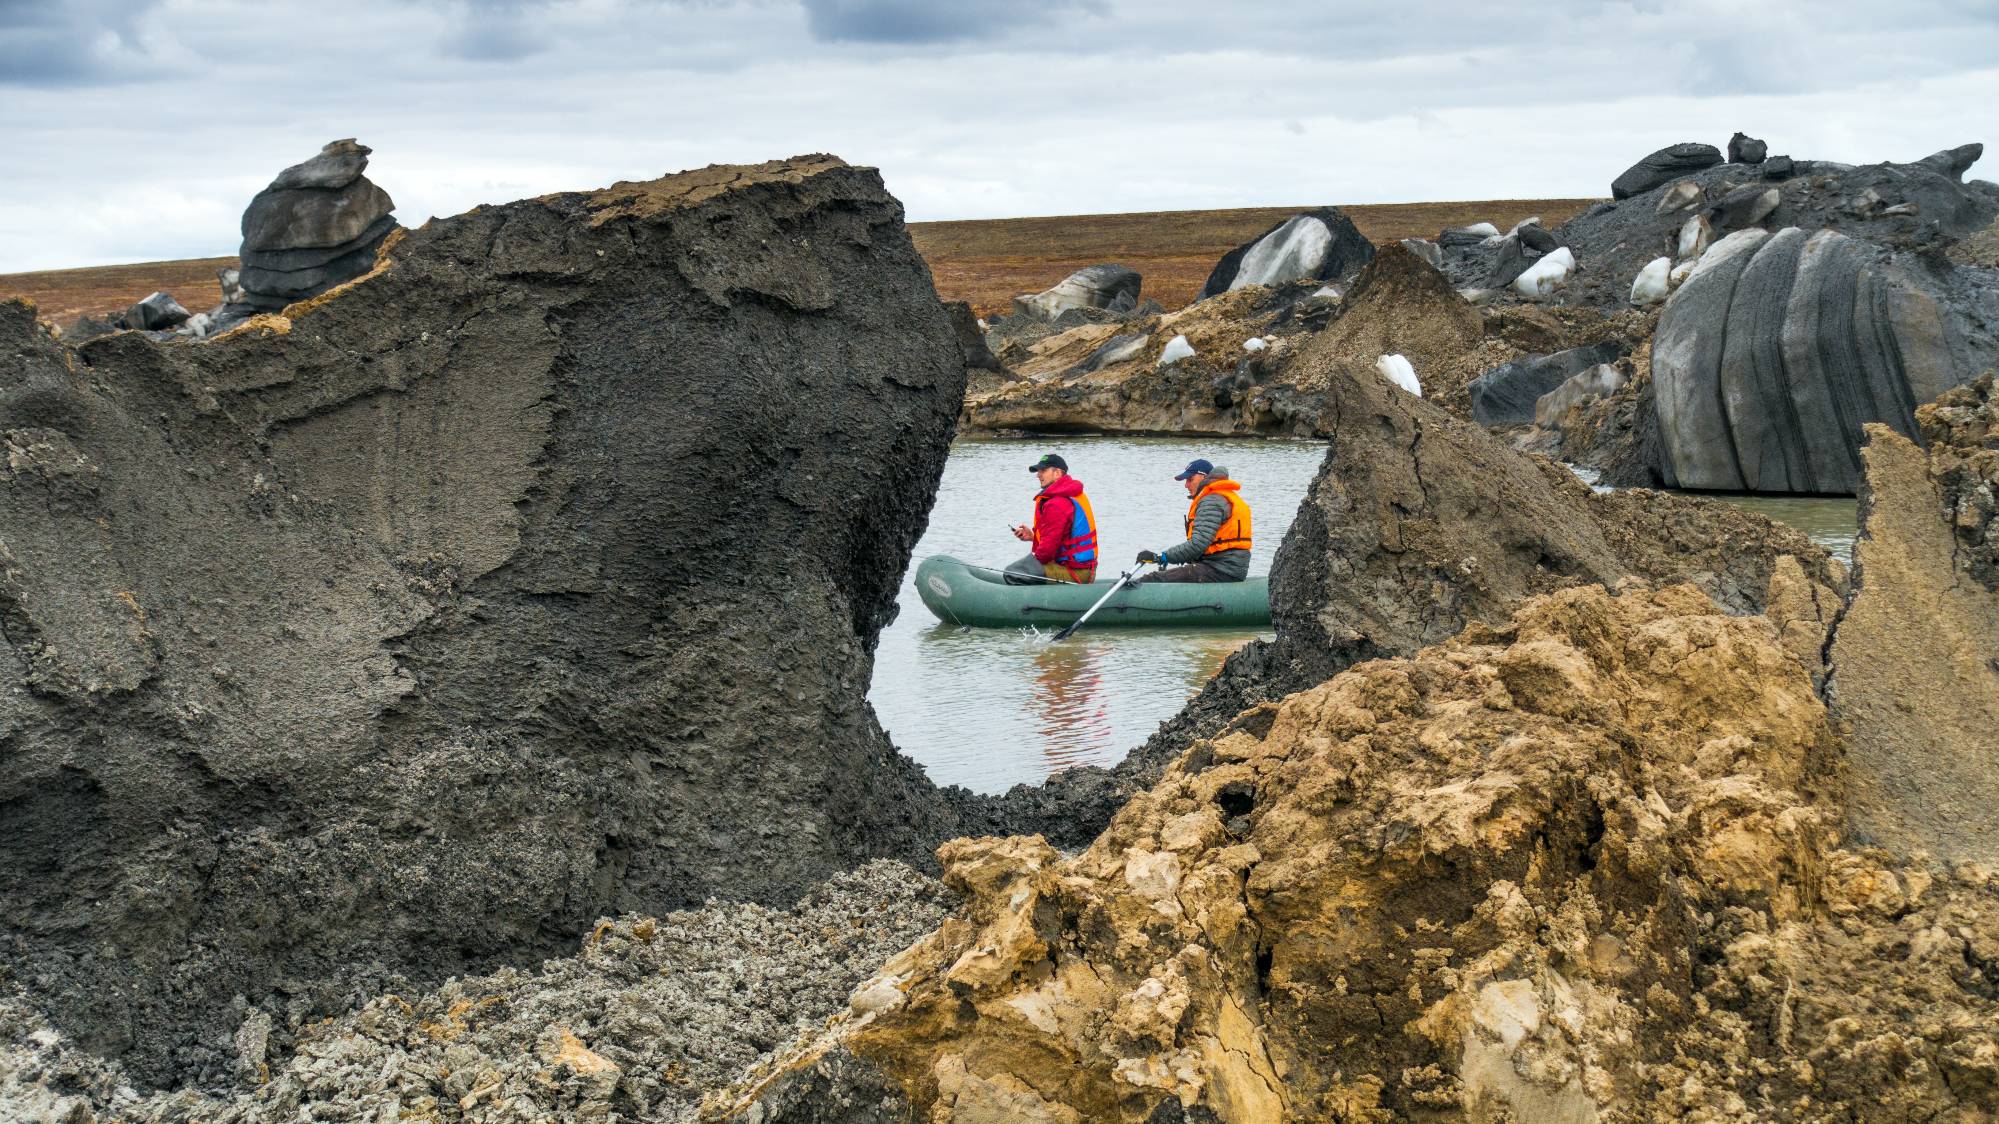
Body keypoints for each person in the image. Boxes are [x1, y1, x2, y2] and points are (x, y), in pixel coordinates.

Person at [1135, 458, 1251, 583]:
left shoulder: (1212, 501)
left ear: (1204, 477)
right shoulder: (1221, 496)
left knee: (1153, 580)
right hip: (1225, 568)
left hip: (1220, 570)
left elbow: (1198, 545)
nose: (1186, 485)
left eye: (1190, 479)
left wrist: (1161, 557)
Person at [1005, 453, 1099, 584]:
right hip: (1085, 569)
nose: (1038, 475)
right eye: (1038, 471)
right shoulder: (1071, 494)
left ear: (1057, 473)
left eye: (1043, 471)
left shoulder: (1057, 503)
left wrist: (1029, 567)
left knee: (1013, 572)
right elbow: (1061, 538)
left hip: (1077, 573)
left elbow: (1045, 554)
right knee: (1026, 567)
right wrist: (1033, 537)